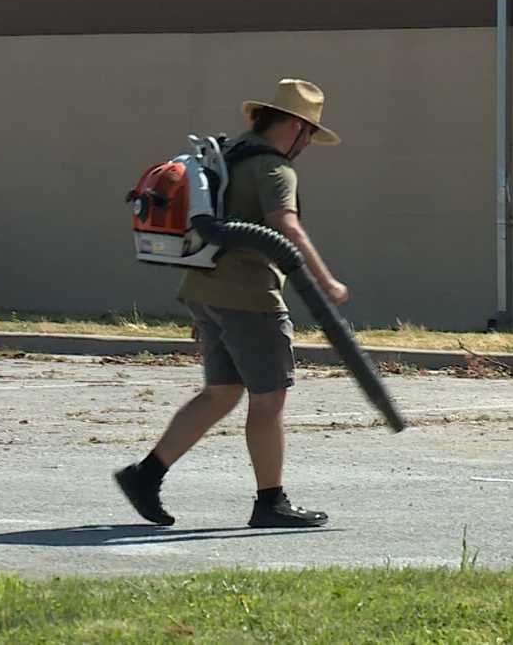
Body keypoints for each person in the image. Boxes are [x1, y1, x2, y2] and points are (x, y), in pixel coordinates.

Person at [115, 79, 348, 528]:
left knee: (221, 392)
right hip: (251, 297)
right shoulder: (274, 170)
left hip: (206, 292)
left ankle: (145, 475)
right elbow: (287, 227)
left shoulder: (228, 155)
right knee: (269, 399)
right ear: (297, 126)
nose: (308, 145)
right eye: (310, 135)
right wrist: (328, 281)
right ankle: (270, 502)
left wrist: (207, 311)